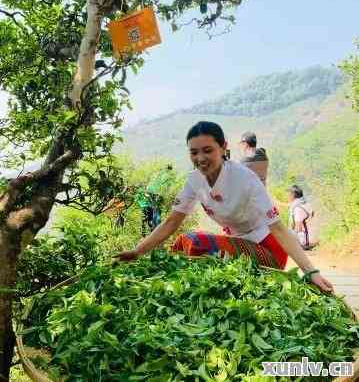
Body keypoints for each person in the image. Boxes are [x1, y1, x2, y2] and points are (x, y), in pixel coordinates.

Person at [114, 121, 332, 292]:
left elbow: (279, 229)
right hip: (238, 244)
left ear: (223, 147)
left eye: (207, 150)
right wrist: (137, 251)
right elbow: (171, 222)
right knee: (182, 242)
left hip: (268, 250)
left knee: (194, 241)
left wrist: (311, 271)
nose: (200, 158)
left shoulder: (245, 179)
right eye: (194, 152)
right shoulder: (194, 181)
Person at [288, 185, 316, 250]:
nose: (288, 196)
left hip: (303, 241)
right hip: (310, 236)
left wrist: (289, 241)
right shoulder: (304, 203)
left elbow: (298, 227)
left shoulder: (297, 208)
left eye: (289, 194)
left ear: (293, 195)